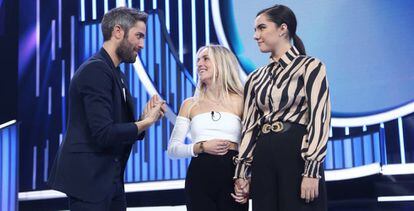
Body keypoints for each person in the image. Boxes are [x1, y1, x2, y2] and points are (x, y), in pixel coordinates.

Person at [48, 7, 166, 211]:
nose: (142, 44)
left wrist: (142, 121)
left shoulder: (115, 73)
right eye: (139, 36)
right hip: (89, 183)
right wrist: (145, 122)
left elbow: (116, 129)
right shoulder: (96, 70)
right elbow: (104, 133)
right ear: (118, 31)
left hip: (110, 181)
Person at [231, 4, 331, 211]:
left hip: (296, 153)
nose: (255, 35)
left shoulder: (310, 66)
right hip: (264, 154)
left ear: (282, 28)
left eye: (261, 28)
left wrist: (311, 171)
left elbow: (319, 119)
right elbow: (249, 126)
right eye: (255, 30)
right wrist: (241, 173)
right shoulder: (255, 78)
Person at [167, 45, 248, 211]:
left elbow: (251, 144)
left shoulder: (242, 100)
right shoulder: (189, 104)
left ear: (221, 63)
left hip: (233, 174)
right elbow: (173, 150)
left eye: (205, 59)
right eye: (197, 60)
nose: (199, 64)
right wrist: (201, 147)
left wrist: (247, 178)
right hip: (199, 176)